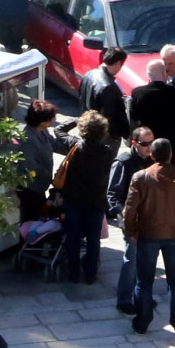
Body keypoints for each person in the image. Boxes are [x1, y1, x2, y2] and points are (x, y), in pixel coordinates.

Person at [122, 137, 175, 334]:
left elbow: (130, 210)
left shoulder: (140, 177)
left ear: (151, 155)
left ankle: (142, 322)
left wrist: (131, 231)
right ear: (170, 155)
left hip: (148, 234)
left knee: (144, 281)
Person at [54, 112, 112, 283]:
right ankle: (90, 274)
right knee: (93, 239)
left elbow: (58, 130)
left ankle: (73, 273)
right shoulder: (107, 152)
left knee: (73, 236)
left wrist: (75, 120)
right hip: (96, 200)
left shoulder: (75, 145)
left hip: (74, 199)